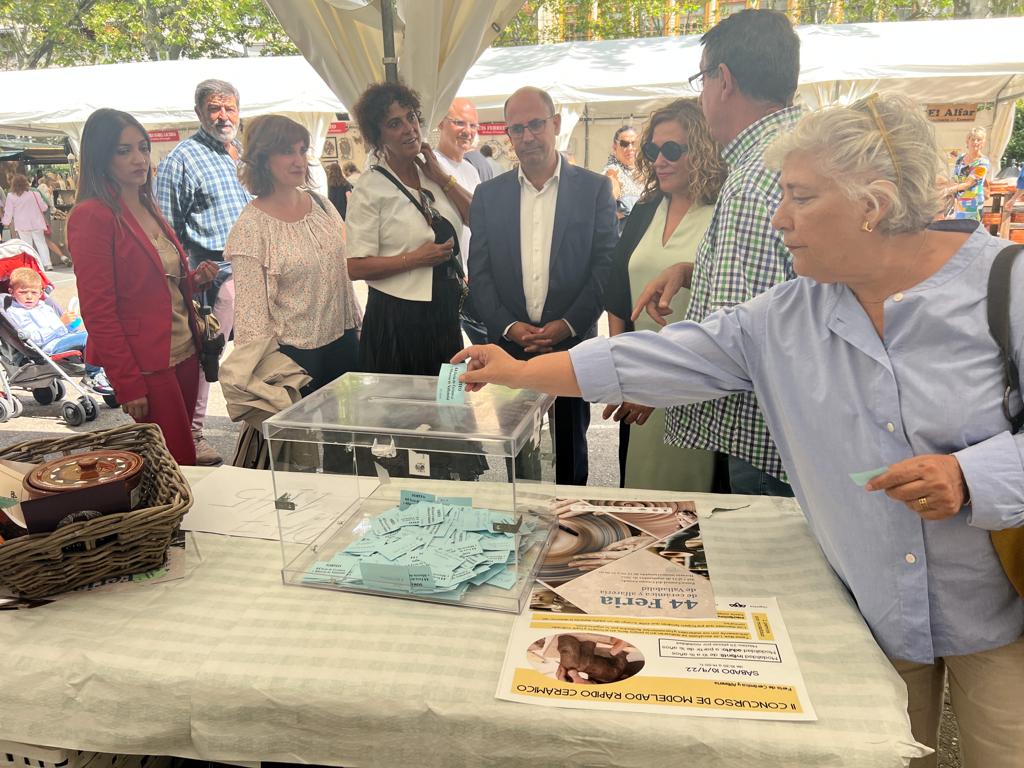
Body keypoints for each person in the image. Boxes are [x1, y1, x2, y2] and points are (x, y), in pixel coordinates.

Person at [455, 93, 1024, 768]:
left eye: (799, 198)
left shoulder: (1006, 287)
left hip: (996, 614)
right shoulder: (785, 314)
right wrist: (520, 371)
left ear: (872, 205)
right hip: (870, 616)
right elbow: (656, 357)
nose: (779, 219)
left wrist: (971, 475)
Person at [634, 8, 801, 497]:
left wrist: (625, 374)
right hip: (794, 431)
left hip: (765, 442)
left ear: (722, 80)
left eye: (702, 79)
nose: (702, 96)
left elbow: (731, 344)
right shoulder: (801, 154)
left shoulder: (752, 181)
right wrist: (694, 270)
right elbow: (788, 288)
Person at [467, 86, 617, 486]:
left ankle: (571, 516)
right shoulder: (488, 195)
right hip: (509, 346)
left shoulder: (594, 189)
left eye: (535, 124)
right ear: (508, 135)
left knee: (571, 446)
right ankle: (524, 514)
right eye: (517, 129)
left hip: (571, 344)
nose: (528, 136)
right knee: (518, 449)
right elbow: (479, 272)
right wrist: (508, 326)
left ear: (555, 123)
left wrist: (567, 324)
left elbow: (605, 266)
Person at [68, 108, 218, 465]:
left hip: (185, 349)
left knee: (181, 457)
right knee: (176, 460)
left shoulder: (147, 203)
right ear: (101, 156)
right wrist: (127, 382)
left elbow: (150, 285)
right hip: (148, 363)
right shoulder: (92, 215)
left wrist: (193, 282)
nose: (139, 159)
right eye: (124, 151)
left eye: (143, 147)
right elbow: (98, 310)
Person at [602, 98, 727, 490]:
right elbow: (617, 293)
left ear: (704, 149)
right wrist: (621, 372)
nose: (659, 160)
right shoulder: (646, 208)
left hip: (700, 384)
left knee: (695, 502)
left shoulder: (725, 211)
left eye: (672, 150)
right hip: (639, 381)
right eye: (653, 150)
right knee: (642, 494)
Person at [225, 116, 361, 468]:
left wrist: (357, 327)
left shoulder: (322, 205)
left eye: (302, 150)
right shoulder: (252, 227)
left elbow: (342, 279)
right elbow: (251, 318)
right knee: (298, 466)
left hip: (342, 345)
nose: (299, 160)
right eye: (287, 151)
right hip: (292, 360)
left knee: (349, 454)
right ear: (262, 157)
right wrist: (266, 380)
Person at [346, 81, 472, 377]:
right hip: (396, 316)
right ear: (378, 136)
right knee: (399, 400)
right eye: (394, 124)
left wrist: (441, 177)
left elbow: (478, 219)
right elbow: (356, 267)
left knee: (448, 395)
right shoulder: (370, 187)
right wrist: (415, 259)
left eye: (411, 117)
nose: (409, 129)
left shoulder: (433, 173)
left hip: (444, 309)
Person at [156, 78, 250, 466]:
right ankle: (192, 436)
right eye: (214, 108)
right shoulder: (181, 160)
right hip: (215, 276)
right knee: (207, 356)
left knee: (260, 351)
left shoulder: (243, 153)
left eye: (230, 108)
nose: (223, 116)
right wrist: (188, 282)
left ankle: (258, 426)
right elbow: (166, 231)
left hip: (256, 268)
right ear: (199, 112)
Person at [5, 267, 113, 395]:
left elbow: (61, 330)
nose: (29, 296)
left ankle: (105, 372)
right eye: (23, 292)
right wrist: (61, 323)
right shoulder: (16, 312)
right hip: (46, 347)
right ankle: (92, 376)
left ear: (40, 293)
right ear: (12, 292)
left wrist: (70, 325)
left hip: (61, 339)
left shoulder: (44, 306)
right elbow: (34, 339)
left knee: (99, 333)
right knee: (91, 337)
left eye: (34, 292)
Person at [433, 97, 488, 344]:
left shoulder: (470, 168)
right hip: (443, 281)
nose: (468, 131)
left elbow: (478, 224)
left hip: (469, 278)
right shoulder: (430, 166)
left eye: (473, 125)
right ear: (440, 123)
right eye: (459, 123)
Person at [2, 174, 52, 269]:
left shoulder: (11, 196)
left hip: (22, 225)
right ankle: (47, 264)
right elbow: (44, 207)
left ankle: (32, 265)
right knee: (41, 243)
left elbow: (8, 212)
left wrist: (5, 222)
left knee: (27, 245)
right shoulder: (34, 194)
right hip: (37, 222)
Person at [602, 125, 644, 233]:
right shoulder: (612, 173)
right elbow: (605, 210)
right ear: (615, 147)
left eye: (634, 143)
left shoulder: (644, 171)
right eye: (624, 144)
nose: (630, 148)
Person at [945, 127, 990, 221]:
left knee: (968, 229)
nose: (975, 142)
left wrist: (947, 190)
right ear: (967, 141)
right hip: (957, 202)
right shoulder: (961, 158)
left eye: (979, 140)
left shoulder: (983, 162)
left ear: (983, 143)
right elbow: (955, 178)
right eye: (973, 139)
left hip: (972, 203)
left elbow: (968, 183)